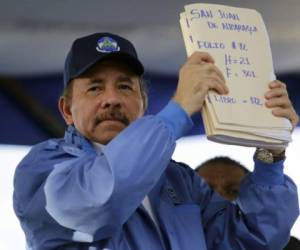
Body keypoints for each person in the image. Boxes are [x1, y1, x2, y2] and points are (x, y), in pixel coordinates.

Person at [13, 32, 299, 250]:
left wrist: (270, 152)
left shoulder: (180, 181)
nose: (111, 99)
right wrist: (179, 108)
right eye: (94, 88)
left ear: (144, 103)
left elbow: (254, 240)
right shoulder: (42, 169)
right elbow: (101, 198)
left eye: (125, 86)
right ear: (66, 110)